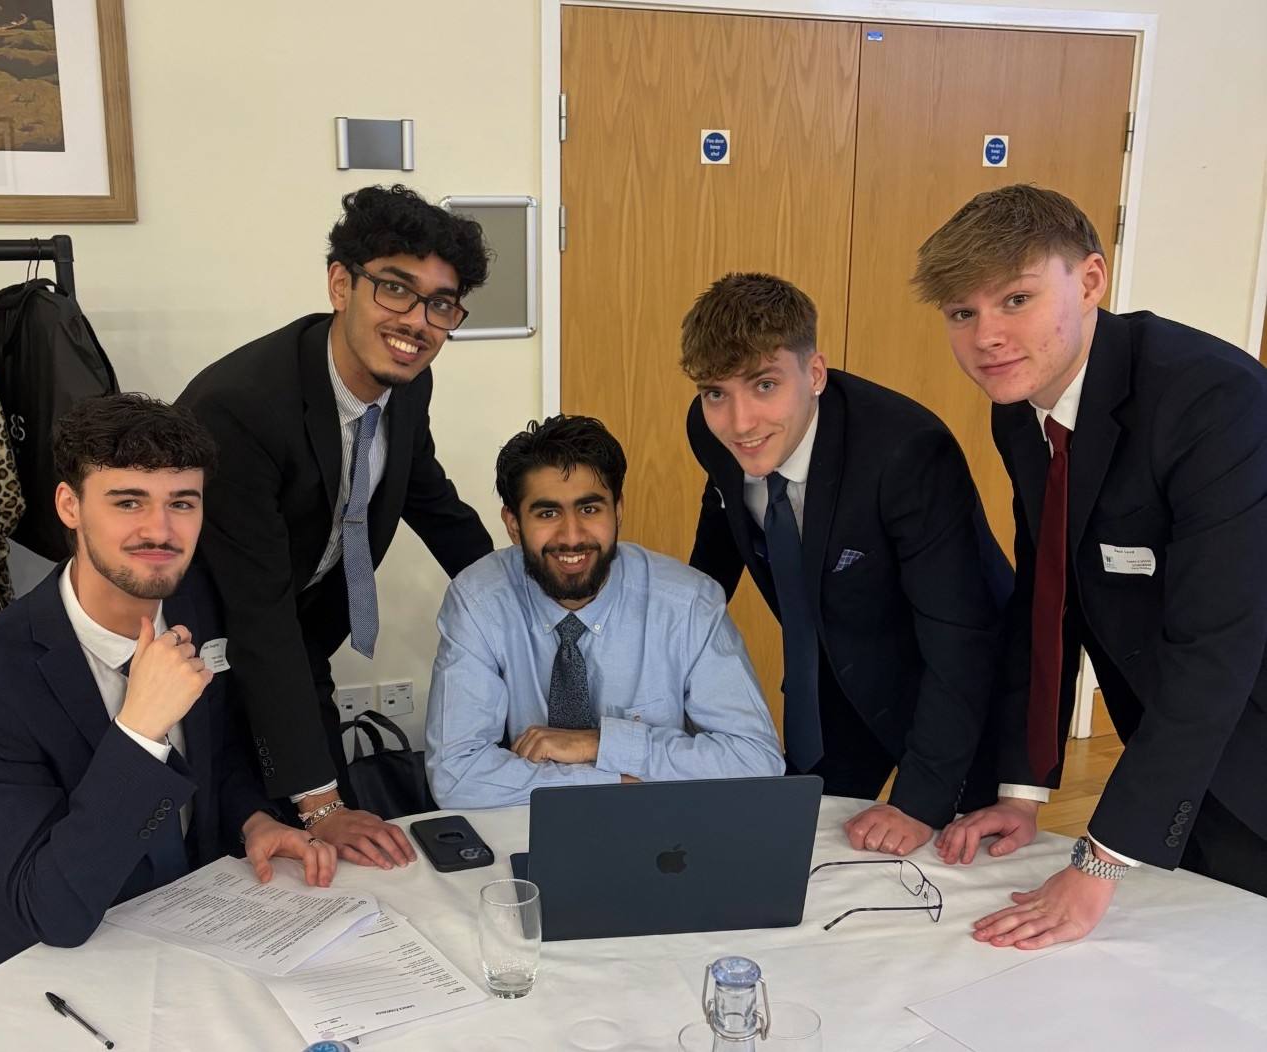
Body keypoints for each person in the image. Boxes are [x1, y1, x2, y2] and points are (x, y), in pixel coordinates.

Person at [920, 183, 1267, 948]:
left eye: (1015, 298)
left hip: (1248, 737)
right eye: (962, 313)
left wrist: (1100, 861)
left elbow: (1219, 649)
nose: (987, 337)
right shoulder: (1018, 409)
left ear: (1090, 280)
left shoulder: (1213, 399)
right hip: (1170, 741)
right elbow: (1047, 601)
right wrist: (1023, 787)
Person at [0, 394, 336, 990]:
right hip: (51, 971)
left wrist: (252, 819)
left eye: (182, 503)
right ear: (70, 505)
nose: (160, 531)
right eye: (127, 502)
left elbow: (217, 756)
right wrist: (139, 731)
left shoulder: (201, 601)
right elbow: (55, 910)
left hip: (198, 930)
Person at [178, 185, 492, 867]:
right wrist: (319, 806)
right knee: (247, 854)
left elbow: (428, 496)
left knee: (343, 852)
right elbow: (256, 614)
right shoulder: (241, 408)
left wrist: (519, 594)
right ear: (340, 284)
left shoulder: (406, 383)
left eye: (441, 303)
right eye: (396, 289)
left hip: (298, 640)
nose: (418, 321)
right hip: (201, 660)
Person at [681, 273, 1011, 856]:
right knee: (801, 844)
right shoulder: (710, 431)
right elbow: (723, 523)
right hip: (832, 675)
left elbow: (961, 638)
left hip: (952, 683)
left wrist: (917, 803)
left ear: (814, 374)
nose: (739, 422)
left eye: (764, 385)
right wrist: (676, 635)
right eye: (716, 393)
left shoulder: (906, 453)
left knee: (953, 861)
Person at [425, 415, 784, 808]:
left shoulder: (688, 603)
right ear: (513, 524)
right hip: (526, 834)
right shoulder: (478, 602)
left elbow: (756, 761)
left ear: (618, 509)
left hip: (664, 838)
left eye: (590, 509)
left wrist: (599, 745)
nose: (572, 536)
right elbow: (455, 776)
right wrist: (619, 782)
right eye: (547, 513)